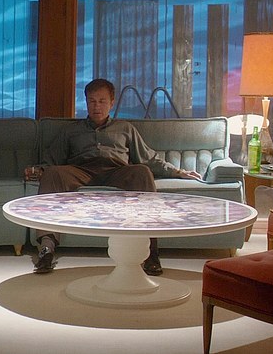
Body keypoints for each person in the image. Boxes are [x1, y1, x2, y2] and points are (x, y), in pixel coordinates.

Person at [26, 78, 201, 275]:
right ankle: (47, 249)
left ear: (111, 103)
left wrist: (177, 172)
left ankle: (150, 252)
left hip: (116, 171)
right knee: (53, 173)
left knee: (142, 172)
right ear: (86, 102)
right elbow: (51, 159)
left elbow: (148, 158)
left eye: (102, 101)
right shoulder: (71, 130)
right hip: (81, 171)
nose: (96, 106)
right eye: (92, 101)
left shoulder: (125, 128)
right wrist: (38, 170)